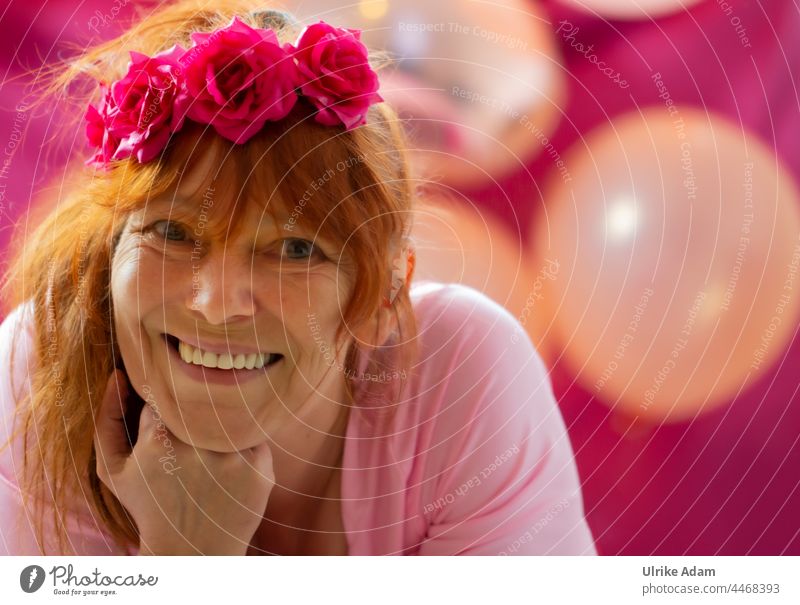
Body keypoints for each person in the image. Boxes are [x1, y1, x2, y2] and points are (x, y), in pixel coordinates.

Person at [0, 0, 596, 556]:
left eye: (293, 248)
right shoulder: (40, 368)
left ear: (384, 295)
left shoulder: (461, 371)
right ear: (113, 251)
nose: (215, 304)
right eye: (172, 234)